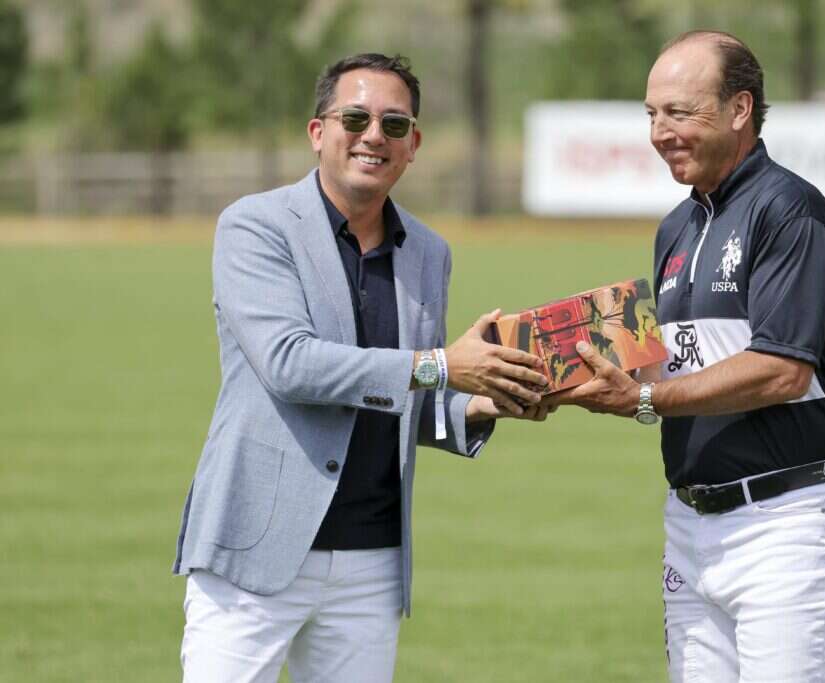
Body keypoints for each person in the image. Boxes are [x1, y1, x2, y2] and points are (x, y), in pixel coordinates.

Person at [173, 53, 551, 683]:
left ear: (414, 146)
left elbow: (405, 396)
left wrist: (485, 399)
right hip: (256, 549)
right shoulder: (255, 226)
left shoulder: (430, 252)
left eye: (394, 125)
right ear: (318, 132)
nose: (374, 135)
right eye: (356, 117)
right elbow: (291, 366)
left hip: (372, 562)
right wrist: (442, 365)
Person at [551, 31, 825, 682]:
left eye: (679, 112)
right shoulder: (677, 226)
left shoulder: (790, 209)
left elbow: (784, 368)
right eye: (651, 114)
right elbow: (675, 359)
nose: (660, 131)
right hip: (692, 523)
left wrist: (641, 400)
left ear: (739, 108)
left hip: (787, 520)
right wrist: (550, 366)